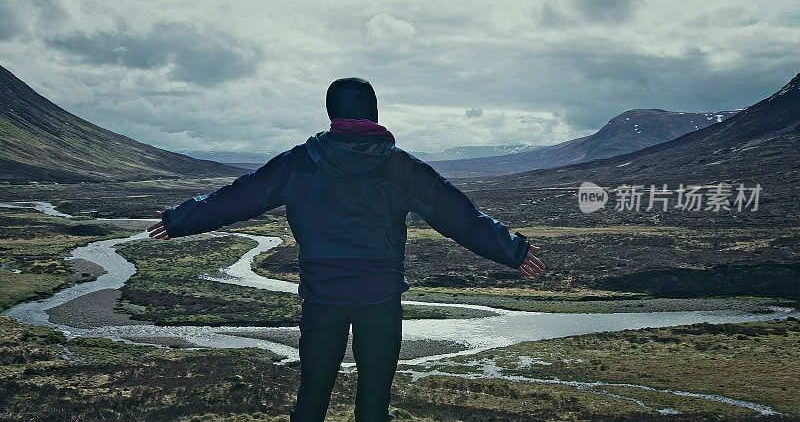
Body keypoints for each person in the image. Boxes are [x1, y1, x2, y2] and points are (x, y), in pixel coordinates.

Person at [146, 77, 545, 421]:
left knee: (312, 402)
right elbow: (458, 215)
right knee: (373, 408)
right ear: (373, 112)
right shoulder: (399, 166)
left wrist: (181, 220)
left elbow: (238, 198)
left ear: (331, 113)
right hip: (380, 299)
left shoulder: (299, 162)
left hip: (323, 298)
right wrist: (511, 249)